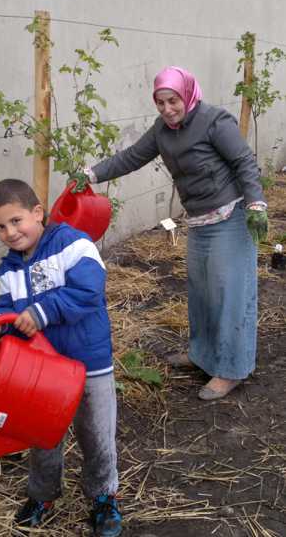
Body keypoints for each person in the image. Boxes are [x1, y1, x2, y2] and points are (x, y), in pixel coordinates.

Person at [84, 66, 268, 401]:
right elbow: (131, 157)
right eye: (160, 102)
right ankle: (202, 356)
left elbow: (244, 162)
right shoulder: (162, 131)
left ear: (187, 94)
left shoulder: (214, 121)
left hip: (230, 217)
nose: (168, 109)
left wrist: (256, 204)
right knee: (202, 292)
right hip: (199, 220)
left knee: (229, 295)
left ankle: (230, 369)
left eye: (173, 100)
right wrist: (92, 174)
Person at [0, 179, 122, 537]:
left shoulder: (72, 244)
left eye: (16, 220)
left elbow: (89, 292)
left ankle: (103, 497)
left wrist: (43, 311)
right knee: (41, 436)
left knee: (96, 434)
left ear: (38, 213)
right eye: (0, 227)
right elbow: (9, 313)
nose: (9, 232)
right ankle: (43, 495)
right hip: (42, 372)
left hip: (88, 362)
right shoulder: (8, 270)